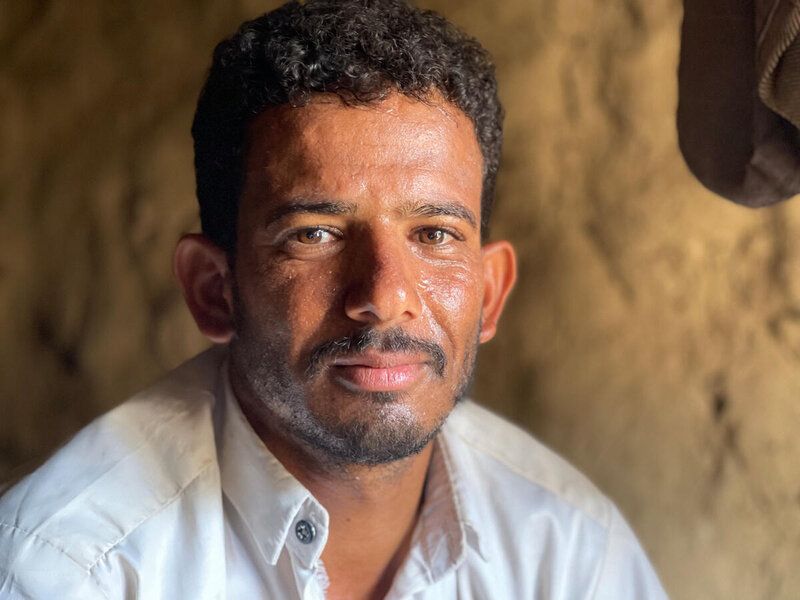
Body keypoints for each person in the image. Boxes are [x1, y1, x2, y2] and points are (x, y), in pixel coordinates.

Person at [0, 1, 668, 598]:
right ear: (213, 290)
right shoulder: (68, 572)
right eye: (314, 234)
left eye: (435, 234)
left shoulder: (573, 554)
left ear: (489, 297)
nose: (384, 296)